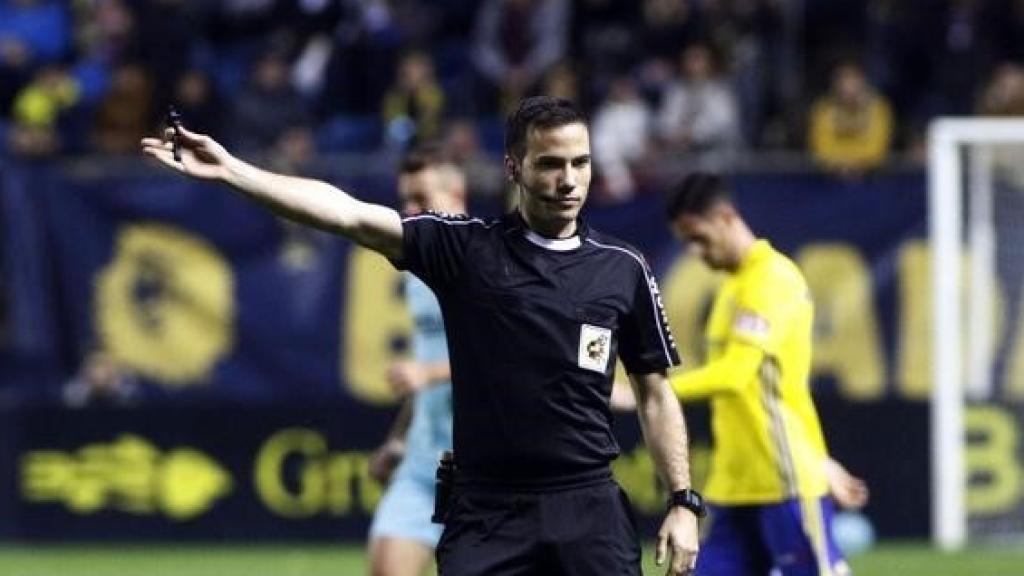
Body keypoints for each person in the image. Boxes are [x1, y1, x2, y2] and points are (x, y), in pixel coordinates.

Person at [141, 95, 701, 576]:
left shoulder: (622, 267)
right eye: (550, 164)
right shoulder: (467, 250)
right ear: (514, 168)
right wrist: (232, 171)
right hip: (487, 512)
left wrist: (682, 500)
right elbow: (349, 215)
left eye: (580, 162)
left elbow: (654, 394)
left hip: (587, 506)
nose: (569, 180)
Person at [664, 172, 869, 576]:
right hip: (736, 483)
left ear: (725, 217)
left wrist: (651, 392)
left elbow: (735, 375)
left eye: (699, 237)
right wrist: (822, 459)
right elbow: (777, 388)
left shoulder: (773, 279)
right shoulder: (733, 286)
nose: (694, 251)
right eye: (686, 242)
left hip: (784, 480)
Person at [367, 145, 464, 576]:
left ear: (456, 196)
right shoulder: (416, 276)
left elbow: (516, 360)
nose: (409, 211)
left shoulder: (491, 267)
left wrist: (428, 374)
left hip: (487, 470)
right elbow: (428, 364)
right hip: (424, 462)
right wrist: (398, 439)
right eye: (405, 200)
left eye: (421, 199)